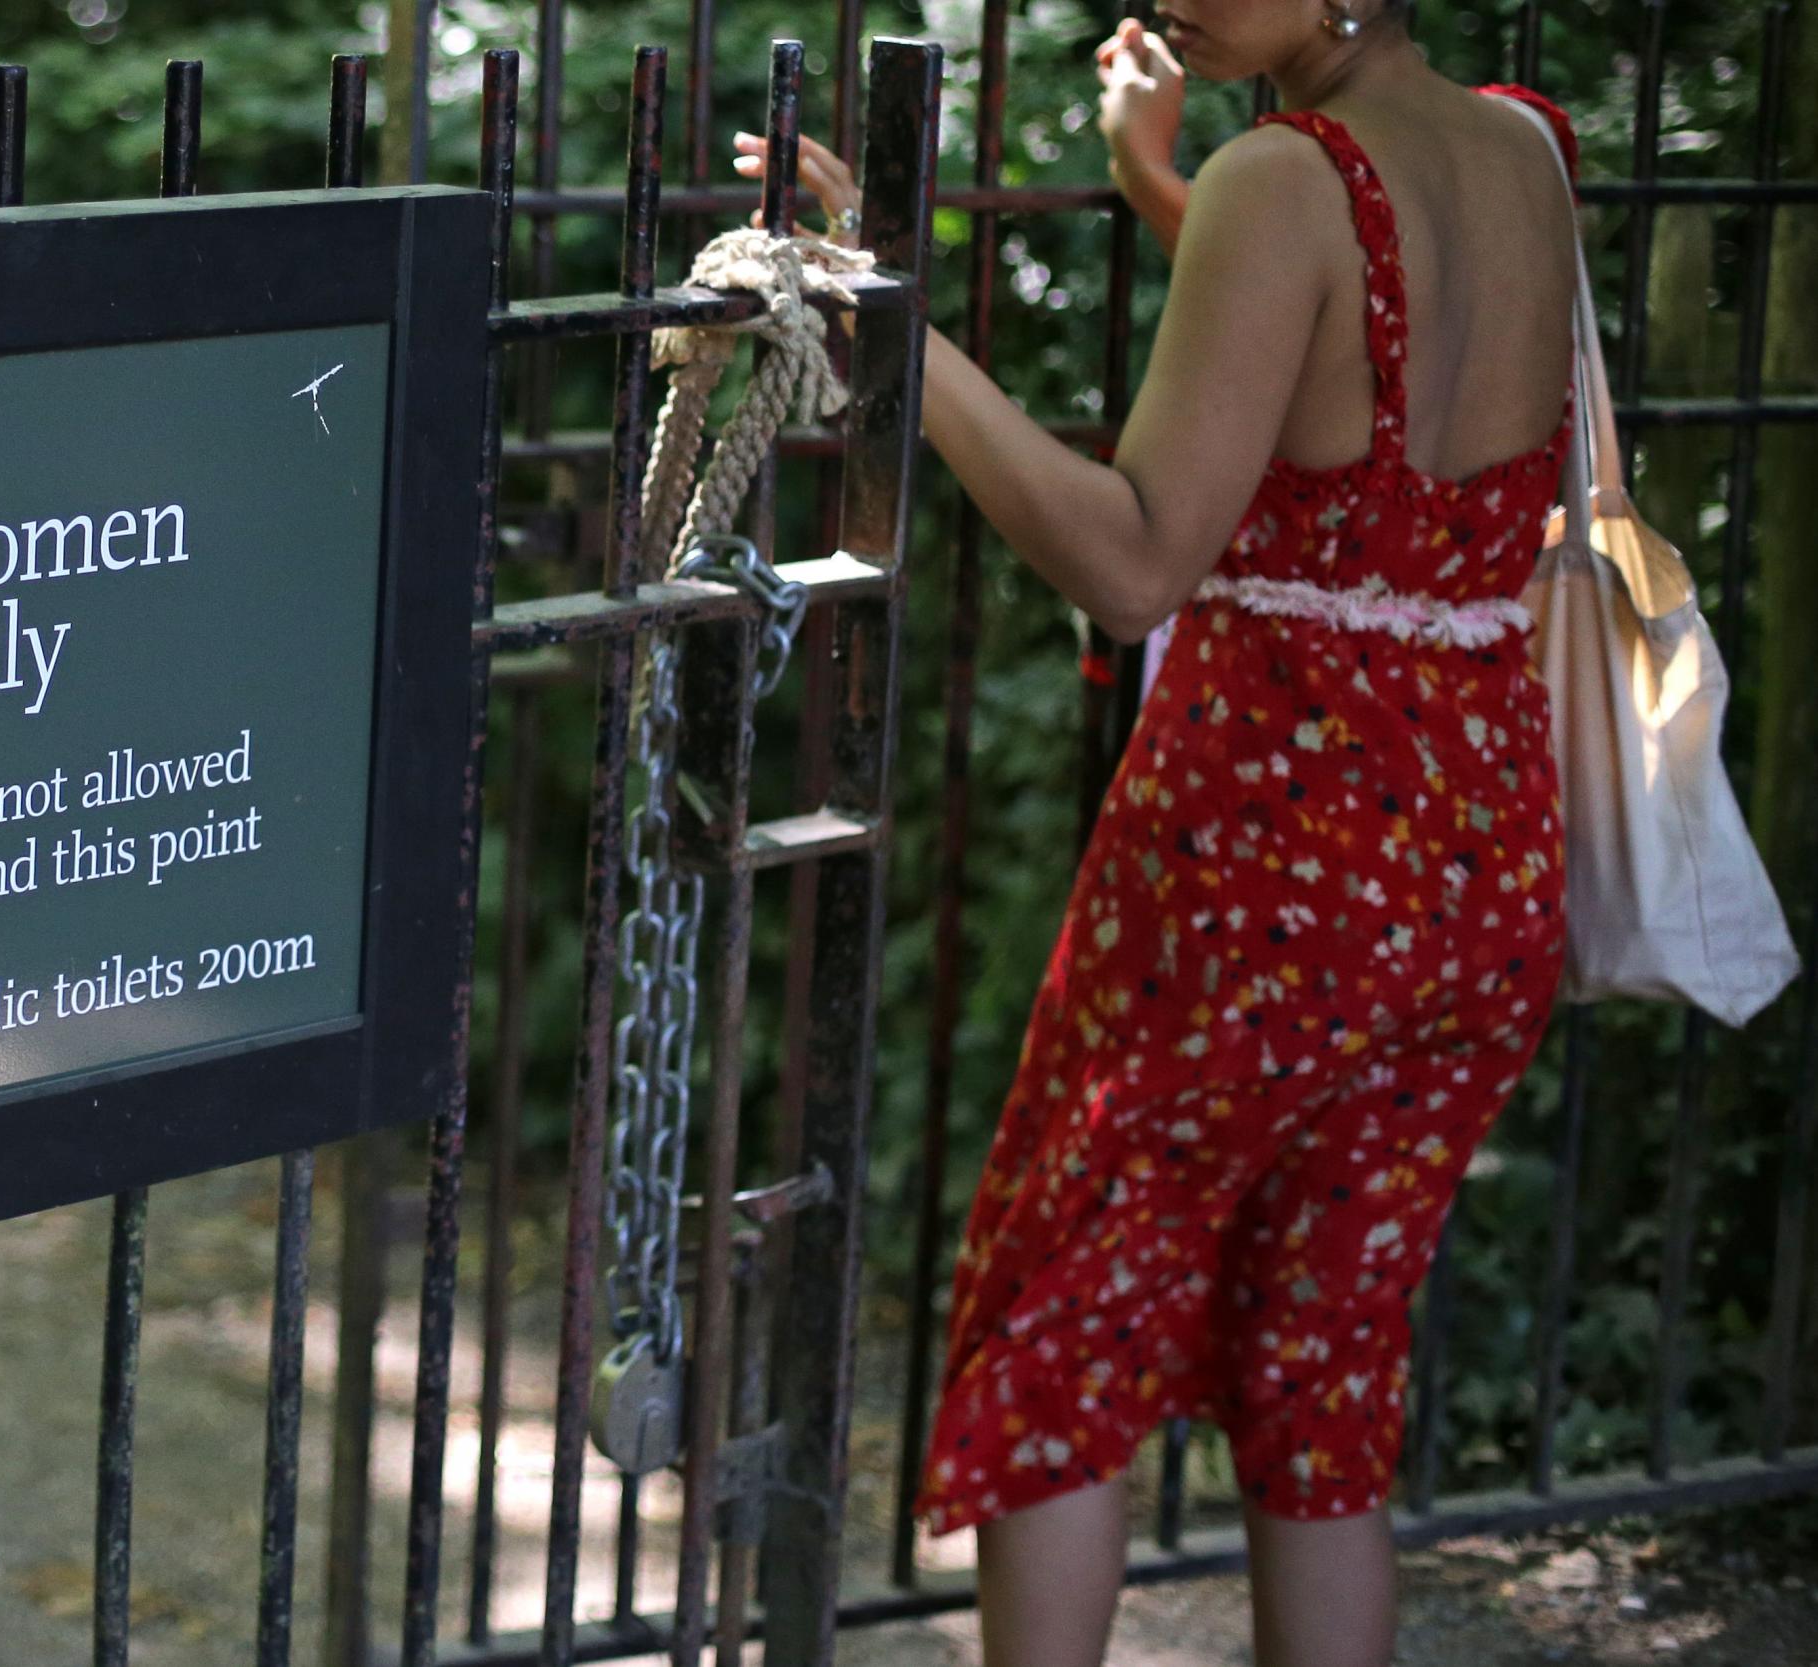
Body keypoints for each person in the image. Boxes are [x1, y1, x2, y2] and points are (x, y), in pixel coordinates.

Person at [737, 3, 1579, 1663]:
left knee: (1061, 1321)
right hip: (1479, 853)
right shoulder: (1522, 146)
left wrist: (889, 326)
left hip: (1276, 856)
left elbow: (1134, 565)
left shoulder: (1287, 179)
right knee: (1323, 1367)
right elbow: (1349, 353)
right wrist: (1151, 177)